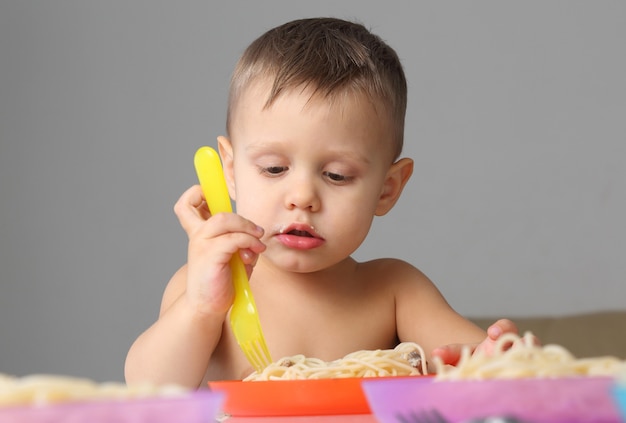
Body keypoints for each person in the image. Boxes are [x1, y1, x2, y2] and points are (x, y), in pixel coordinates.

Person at [124, 17, 518, 388]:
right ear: (230, 170)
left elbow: (487, 368)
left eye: (337, 176)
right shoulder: (207, 288)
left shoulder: (394, 290)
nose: (302, 198)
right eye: (275, 168)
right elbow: (148, 389)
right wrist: (201, 308)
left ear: (387, 188)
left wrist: (502, 360)